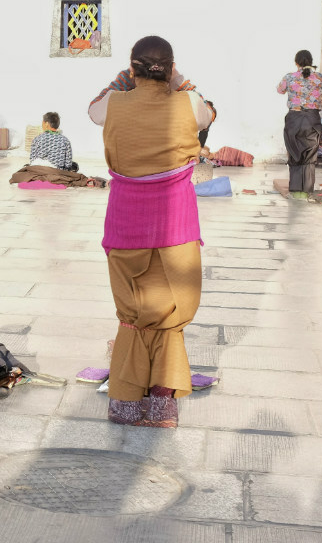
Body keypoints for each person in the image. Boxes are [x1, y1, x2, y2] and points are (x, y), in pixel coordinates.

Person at [89, 36, 213, 428]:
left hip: (126, 223)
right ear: (171, 66)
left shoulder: (113, 104)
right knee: (170, 310)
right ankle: (162, 401)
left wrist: (120, 82)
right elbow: (208, 115)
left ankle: (125, 400)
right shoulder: (188, 103)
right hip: (176, 225)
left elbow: (93, 111)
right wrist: (178, 80)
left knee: (133, 312)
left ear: (133, 67)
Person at [276, 50, 322, 198]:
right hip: (312, 119)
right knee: (310, 155)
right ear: (311, 61)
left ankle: (296, 189)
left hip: (294, 118)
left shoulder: (290, 77)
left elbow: (280, 90)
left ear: (296, 62)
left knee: (294, 153)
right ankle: (307, 190)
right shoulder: (319, 77)